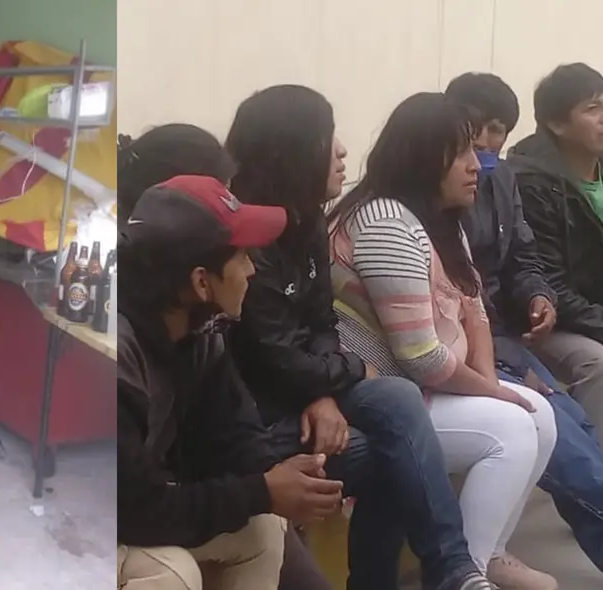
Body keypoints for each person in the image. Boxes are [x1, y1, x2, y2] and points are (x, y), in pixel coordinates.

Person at [223, 84, 493, 590]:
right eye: (328, 138)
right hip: (262, 418)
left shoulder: (303, 222)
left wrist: (325, 390)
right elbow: (271, 355)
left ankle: (453, 570)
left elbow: (322, 322)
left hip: (310, 391)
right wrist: (337, 378)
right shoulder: (248, 242)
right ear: (291, 151)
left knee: (395, 397)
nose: (343, 151)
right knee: (394, 453)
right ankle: (439, 571)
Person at [328, 91, 558, 590]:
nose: (477, 166)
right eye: (461, 153)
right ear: (421, 156)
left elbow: (475, 309)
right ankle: (458, 575)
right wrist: (494, 392)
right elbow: (420, 358)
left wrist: (493, 381)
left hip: (426, 388)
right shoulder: (385, 221)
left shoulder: (439, 218)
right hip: (385, 396)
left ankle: (484, 557)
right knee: (513, 428)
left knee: (539, 414)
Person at [116, 124, 336, 590]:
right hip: (88, 524)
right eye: (243, 257)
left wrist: (284, 480)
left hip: (149, 503)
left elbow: (234, 434)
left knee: (264, 528)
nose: (253, 270)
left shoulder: (198, 329)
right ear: (201, 282)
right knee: (172, 574)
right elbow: (133, 509)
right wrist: (261, 490)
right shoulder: (115, 354)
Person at [448, 71, 603, 571]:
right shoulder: (416, 205)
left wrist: (537, 295)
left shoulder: (503, 179)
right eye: (479, 129)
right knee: (560, 434)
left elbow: (525, 260)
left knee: (573, 427)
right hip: (465, 351)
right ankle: (475, 562)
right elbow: (453, 310)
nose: (489, 145)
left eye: (501, 130)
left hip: (504, 336)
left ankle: (483, 555)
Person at [509, 63, 603, 445]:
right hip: (551, 320)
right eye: (594, 109)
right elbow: (551, 287)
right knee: (597, 364)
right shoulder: (532, 182)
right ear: (557, 124)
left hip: (591, 310)